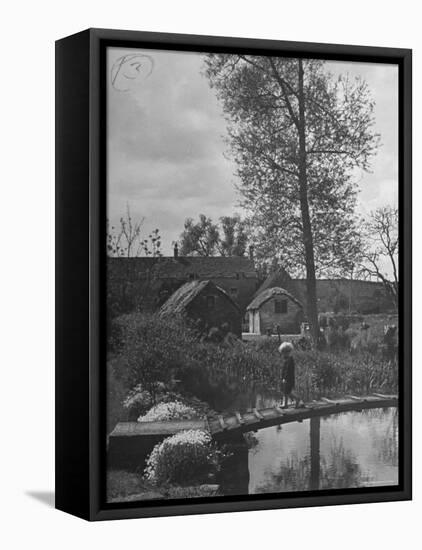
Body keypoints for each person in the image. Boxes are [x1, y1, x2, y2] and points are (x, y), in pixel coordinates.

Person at [279, 341, 300, 408]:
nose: (283, 355)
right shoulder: (286, 359)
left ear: (287, 352)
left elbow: (288, 370)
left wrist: (285, 378)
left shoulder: (290, 360)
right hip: (286, 379)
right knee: (286, 391)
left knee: (287, 392)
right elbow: (284, 369)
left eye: (283, 353)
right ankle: (286, 404)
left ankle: (297, 399)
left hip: (289, 379)